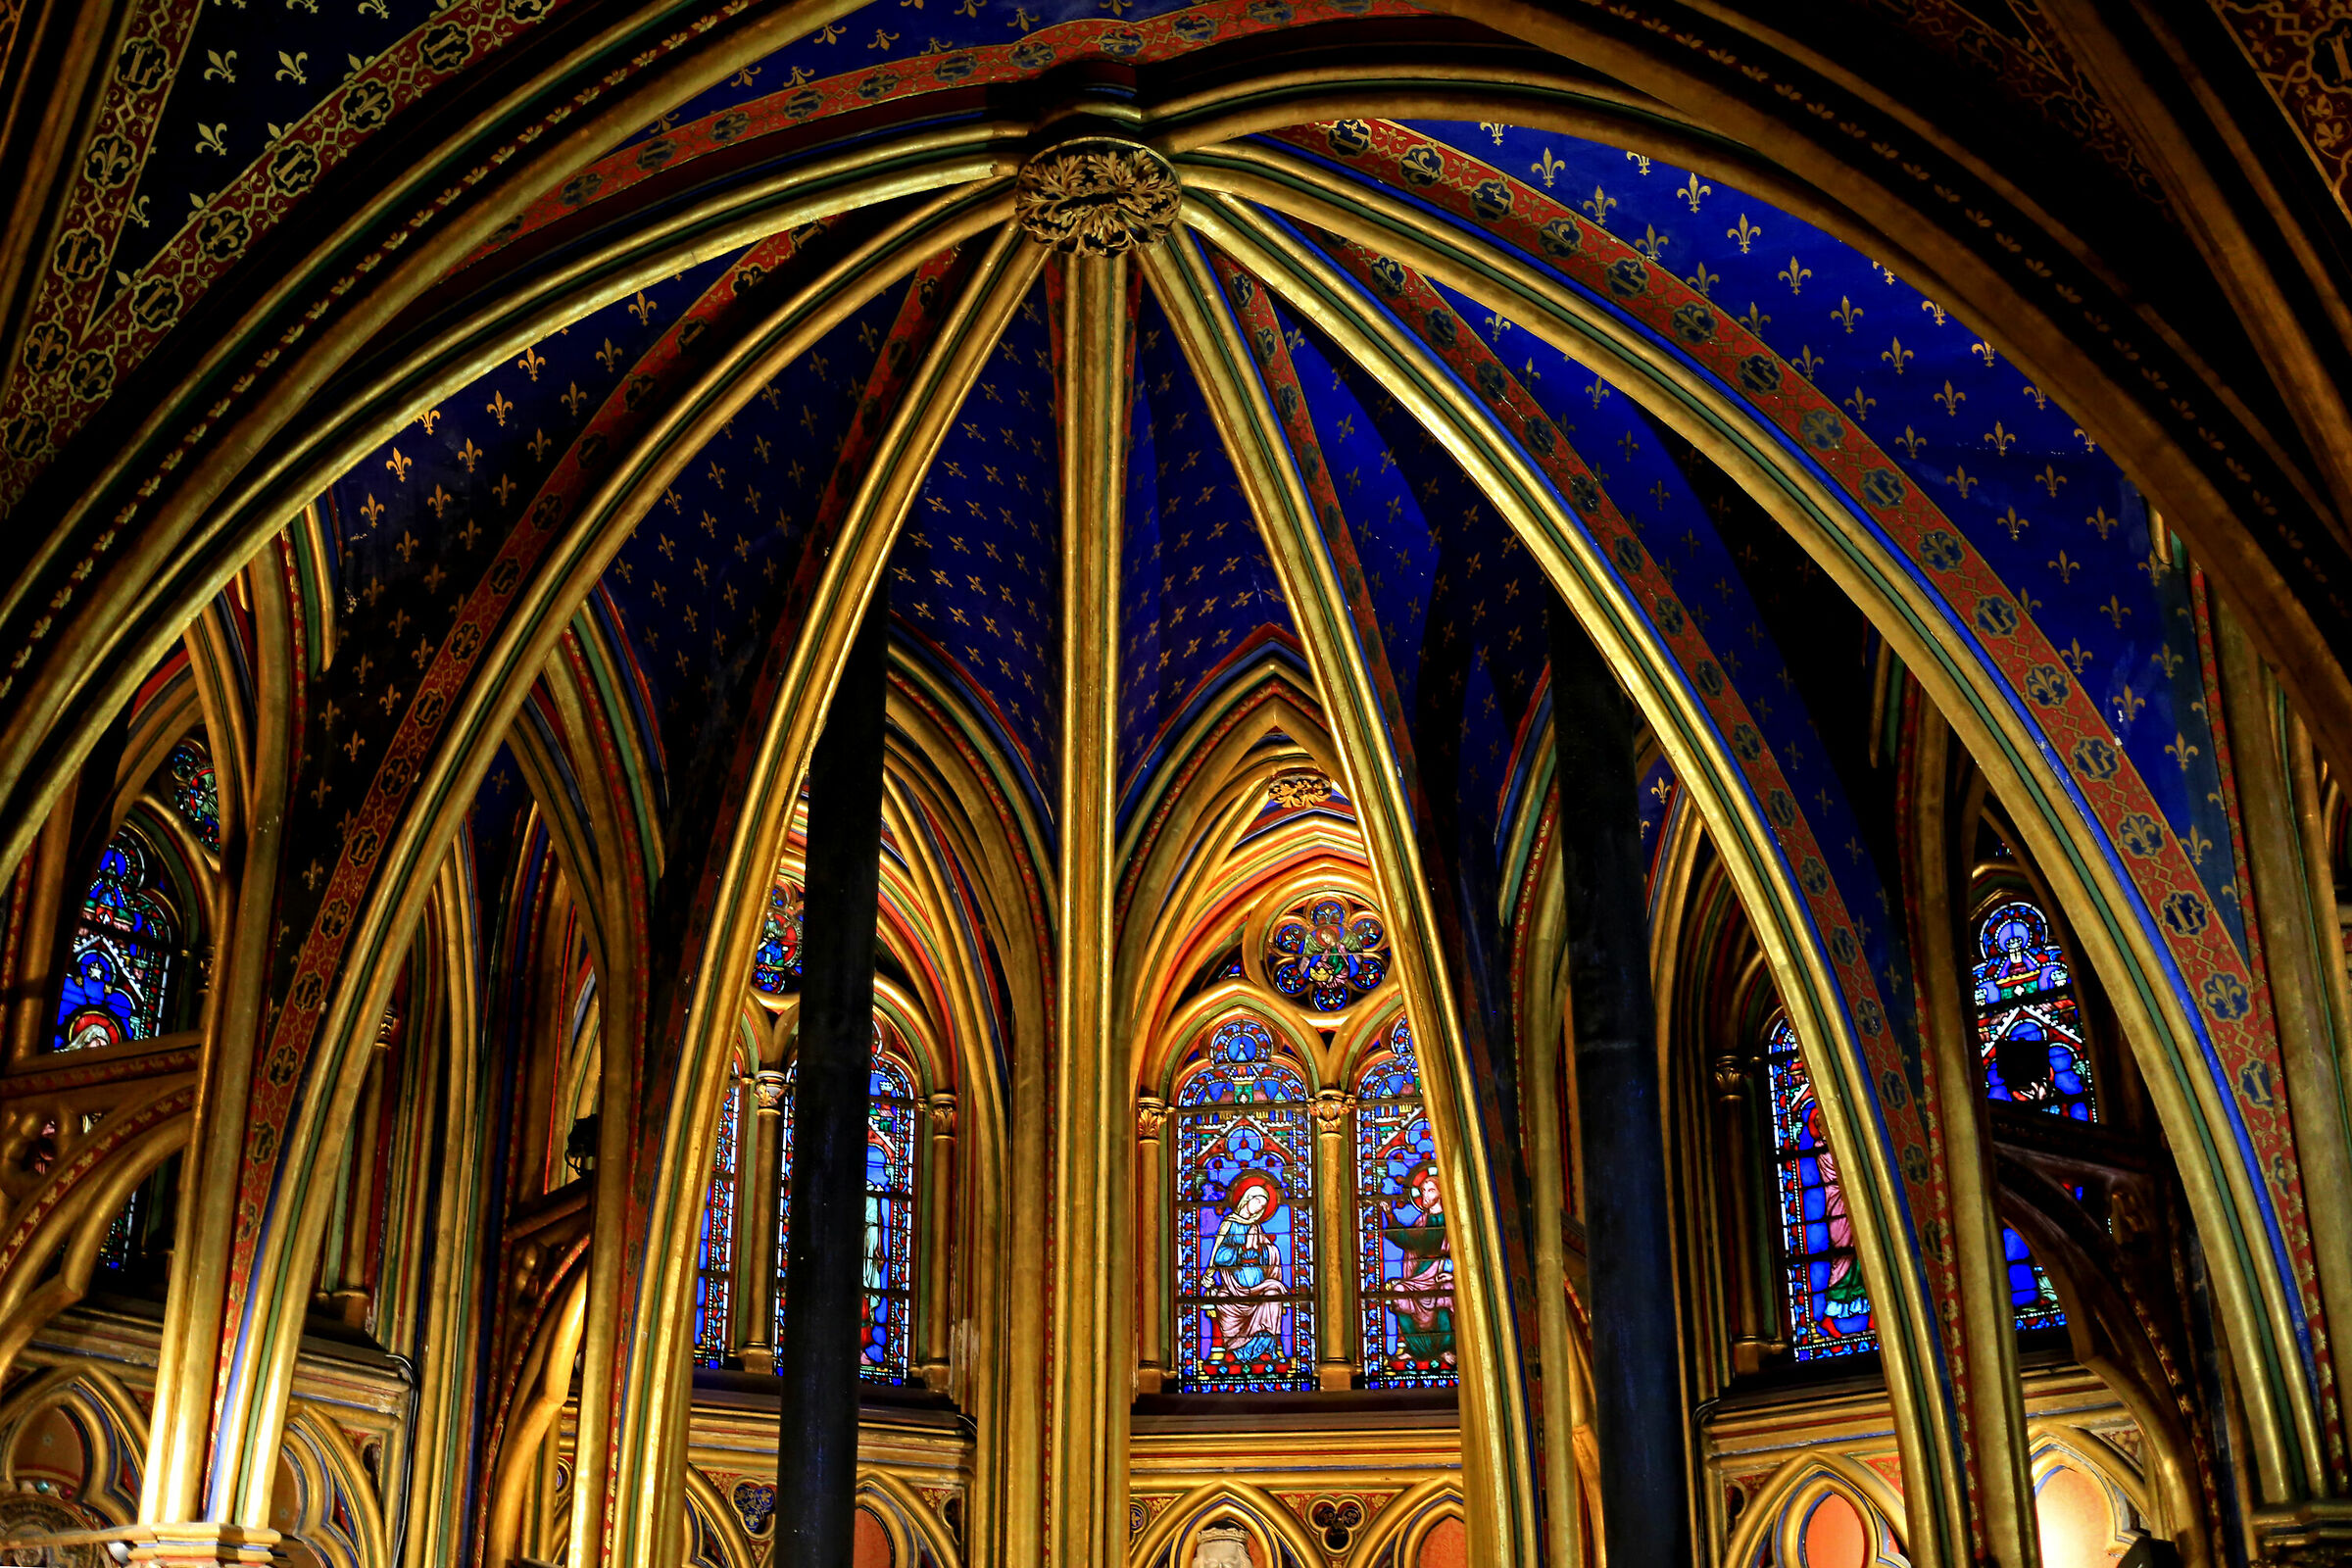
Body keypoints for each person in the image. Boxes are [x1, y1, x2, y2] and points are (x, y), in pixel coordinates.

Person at [1208, 1171, 1288, 1366]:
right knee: (1222, 1299)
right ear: (1247, 1199)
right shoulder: (1229, 1224)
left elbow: (1269, 1252)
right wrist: (1241, 1251)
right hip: (1233, 1285)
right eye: (1258, 1202)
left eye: (1262, 1205)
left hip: (1258, 1283)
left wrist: (1264, 1250)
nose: (1259, 1207)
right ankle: (1235, 1349)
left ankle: (1266, 1348)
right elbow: (1218, 1256)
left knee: (1273, 1292)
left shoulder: (1256, 1227)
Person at [1387, 1161, 1454, 1369]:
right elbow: (1408, 1240)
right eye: (1423, 1190)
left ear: (1442, 1193)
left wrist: (1451, 1273)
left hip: (1440, 1275)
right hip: (1418, 1277)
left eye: (1431, 1190)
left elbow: (1461, 1253)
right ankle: (1413, 1348)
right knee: (1399, 1292)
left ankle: (1446, 1348)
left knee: (1445, 1293)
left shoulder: (1453, 1221)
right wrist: (1390, 1215)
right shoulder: (1422, 1221)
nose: (1425, 1194)